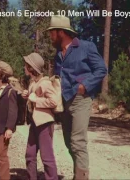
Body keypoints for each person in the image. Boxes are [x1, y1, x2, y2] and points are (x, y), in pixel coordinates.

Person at [46, 15, 108, 180]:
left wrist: (85, 85)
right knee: (68, 142)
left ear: (61, 32)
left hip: (81, 99)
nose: (50, 36)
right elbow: (58, 77)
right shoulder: (58, 54)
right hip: (64, 101)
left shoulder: (86, 47)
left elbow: (101, 69)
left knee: (78, 141)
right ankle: (78, 174)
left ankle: (82, 177)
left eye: (52, 32)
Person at [21, 52, 58, 180]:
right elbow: (33, 98)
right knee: (30, 155)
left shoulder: (45, 83)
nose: (24, 67)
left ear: (31, 67)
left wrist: (36, 100)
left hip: (45, 124)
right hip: (35, 123)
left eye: (26, 65)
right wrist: (27, 96)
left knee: (47, 157)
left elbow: (54, 102)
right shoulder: (33, 82)